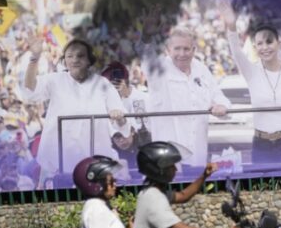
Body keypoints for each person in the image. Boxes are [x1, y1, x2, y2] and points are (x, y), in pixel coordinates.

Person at [218, 2, 281, 165]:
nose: (265, 47)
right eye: (260, 44)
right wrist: (231, 25)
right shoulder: (251, 71)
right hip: (261, 145)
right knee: (264, 189)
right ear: (255, 47)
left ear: (278, 43)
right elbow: (236, 52)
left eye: (269, 42)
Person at [19, 37, 127, 188]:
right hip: (57, 162)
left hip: (93, 161)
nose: (75, 59)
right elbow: (30, 91)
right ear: (65, 61)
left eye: (80, 56)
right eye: (70, 56)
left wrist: (117, 114)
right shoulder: (54, 80)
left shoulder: (102, 83)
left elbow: (120, 115)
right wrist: (34, 58)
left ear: (90, 60)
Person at [144, 28, 230, 171]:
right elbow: (146, 58)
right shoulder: (158, 69)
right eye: (177, 49)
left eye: (186, 49)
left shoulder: (201, 69)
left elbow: (218, 95)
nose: (182, 54)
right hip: (169, 158)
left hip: (197, 154)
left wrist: (221, 105)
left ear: (194, 49)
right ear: (168, 49)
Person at [101, 62, 152, 173]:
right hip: (116, 153)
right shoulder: (103, 104)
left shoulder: (145, 98)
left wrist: (126, 97)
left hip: (144, 151)